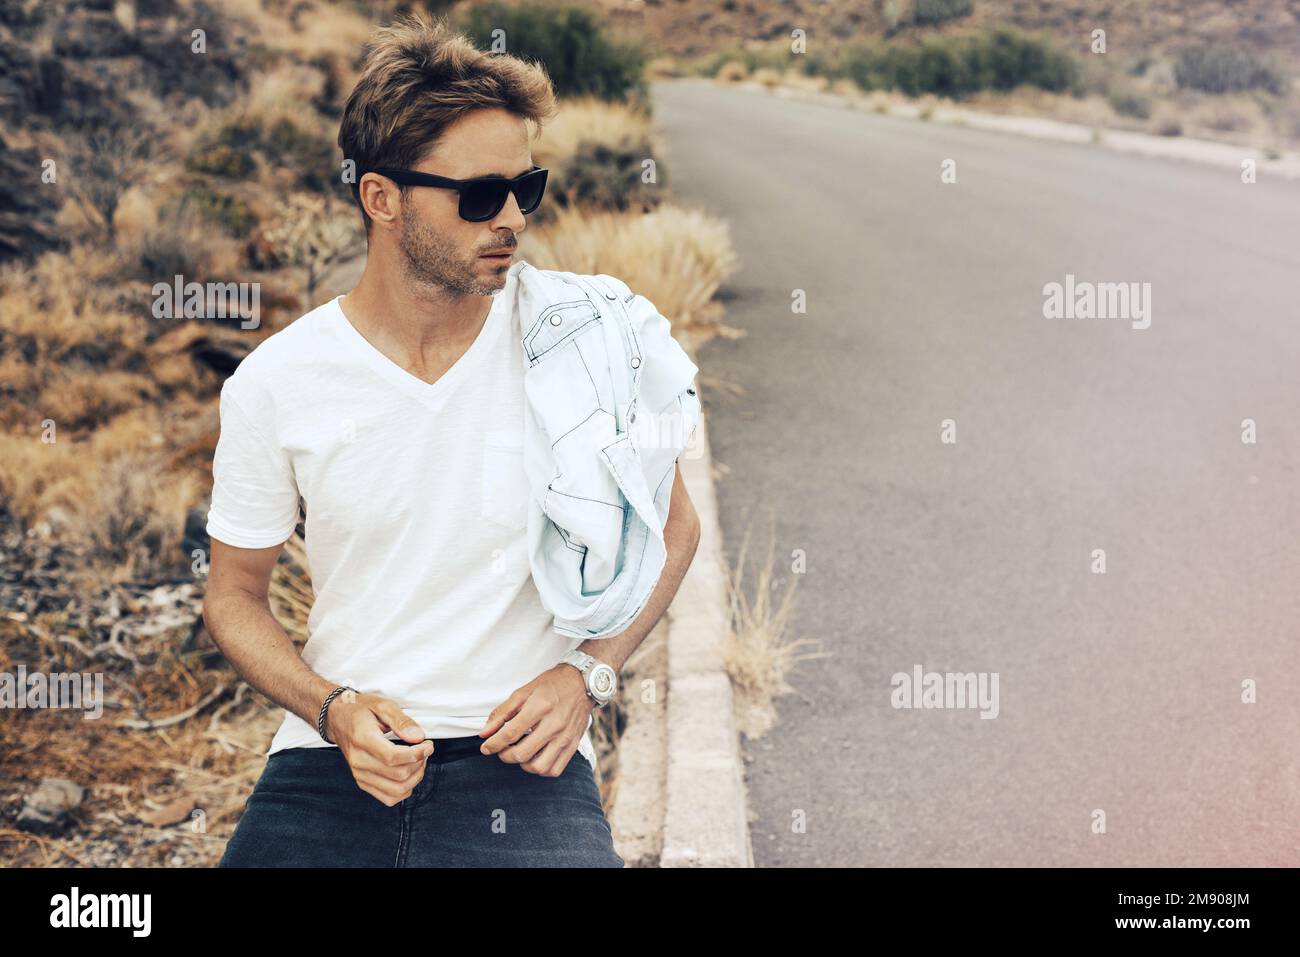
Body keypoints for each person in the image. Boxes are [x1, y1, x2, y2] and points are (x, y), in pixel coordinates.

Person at [204, 13, 701, 867]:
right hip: (335, 757)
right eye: (478, 196)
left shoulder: (579, 340)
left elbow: (676, 527)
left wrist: (589, 675)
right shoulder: (277, 382)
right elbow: (232, 596)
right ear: (381, 198)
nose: (511, 217)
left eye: (526, 188)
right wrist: (331, 708)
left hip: (523, 758)